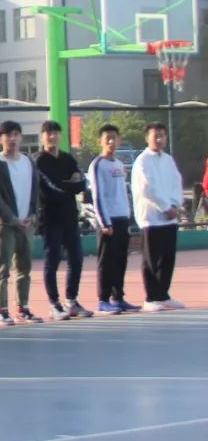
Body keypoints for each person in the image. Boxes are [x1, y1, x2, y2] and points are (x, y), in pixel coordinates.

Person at [0, 120, 43, 325]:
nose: (12, 138)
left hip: (27, 224)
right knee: (3, 268)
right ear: (0, 139)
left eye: (16, 134)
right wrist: (11, 218)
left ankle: (23, 308)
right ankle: (2, 310)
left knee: (24, 268)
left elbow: (35, 190)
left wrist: (33, 215)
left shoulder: (28, 162)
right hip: (5, 225)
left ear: (21, 137)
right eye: (8, 135)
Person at [34, 121, 93, 320]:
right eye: (48, 133)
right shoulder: (38, 161)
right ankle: (54, 304)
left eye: (55, 133)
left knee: (76, 258)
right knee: (52, 261)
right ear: (42, 137)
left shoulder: (68, 158)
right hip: (50, 218)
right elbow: (50, 189)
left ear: (60, 136)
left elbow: (82, 183)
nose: (52, 136)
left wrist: (72, 184)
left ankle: (71, 301)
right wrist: (70, 185)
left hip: (70, 217)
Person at [131, 123, 185, 311]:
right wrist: (165, 207)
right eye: (156, 136)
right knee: (152, 259)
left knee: (167, 258)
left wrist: (175, 205)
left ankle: (163, 295)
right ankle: (151, 297)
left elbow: (177, 182)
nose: (160, 139)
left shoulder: (168, 160)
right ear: (147, 138)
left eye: (162, 135)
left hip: (170, 218)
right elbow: (147, 188)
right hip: (151, 218)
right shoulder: (142, 161)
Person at [87, 125, 139, 314]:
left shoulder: (118, 164)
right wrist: (105, 222)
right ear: (100, 141)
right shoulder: (97, 165)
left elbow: (122, 193)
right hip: (107, 222)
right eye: (107, 138)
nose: (111, 142)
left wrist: (128, 215)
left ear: (119, 140)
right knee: (106, 261)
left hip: (122, 218)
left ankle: (118, 298)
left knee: (120, 259)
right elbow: (97, 195)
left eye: (114, 138)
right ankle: (103, 299)